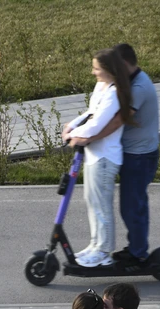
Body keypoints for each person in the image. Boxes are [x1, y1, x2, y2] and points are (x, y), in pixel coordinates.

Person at [74, 43, 160, 270]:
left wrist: (88, 138)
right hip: (127, 151)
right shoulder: (120, 84)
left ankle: (137, 253)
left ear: (121, 65)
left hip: (140, 155)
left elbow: (115, 122)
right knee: (115, 203)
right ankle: (126, 248)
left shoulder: (138, 87)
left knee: (132, 206)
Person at [62, 48, 135, 268]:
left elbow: (97, 124)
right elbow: (90, 113)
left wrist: (73, 136)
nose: (93, 72)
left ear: (109, 70)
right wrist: (72, 125)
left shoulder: (114, 93)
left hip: (105, 158)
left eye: (96, 68)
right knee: (92, 202)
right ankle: (95, 245)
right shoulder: (101, 86)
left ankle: (104, 251)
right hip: (94, 156)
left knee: (102, 206)